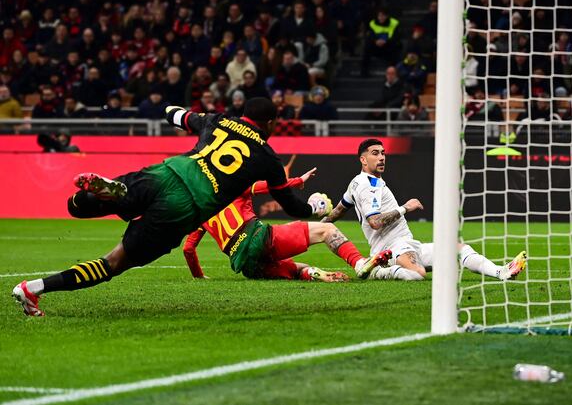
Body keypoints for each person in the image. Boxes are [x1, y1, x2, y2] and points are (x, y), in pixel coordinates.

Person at [12, 98, 334, 316]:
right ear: (271, 122)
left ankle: (106, 194)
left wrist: (172, 110)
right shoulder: (267, 157)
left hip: (165, 173)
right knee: (114, 262)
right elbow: (290, 205)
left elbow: (174, 114)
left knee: (75, 208)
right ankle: (33, 288)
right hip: (184, 206)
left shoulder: (217, 121)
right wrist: (313, 210)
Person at [322, 139, 527, 281]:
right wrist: (405, 208)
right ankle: (378, 270)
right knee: (418, 273)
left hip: (409, 244)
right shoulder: (369, 186)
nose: (382, 157)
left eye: (383, 153)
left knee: (458, 248)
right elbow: (374, 222)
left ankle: (501, 272)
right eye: (375, 154)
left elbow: (340, 209)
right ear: (363, 159)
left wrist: (320, 226)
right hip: (392, 248)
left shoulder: (357, 183)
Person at [183, 167, 390, 282]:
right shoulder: (231, 186)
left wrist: (199, 276)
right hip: (258, 238)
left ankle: (315, 274)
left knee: (296, 270)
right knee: (328, 230)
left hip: (244, 264)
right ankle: (359, 264)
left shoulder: (201, 211)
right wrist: (298, 181)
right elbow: (268, 187)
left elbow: (188, 249)